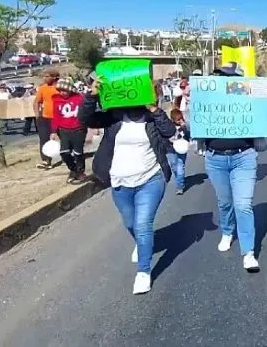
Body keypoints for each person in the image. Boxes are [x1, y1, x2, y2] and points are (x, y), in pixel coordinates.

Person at [79, 77, 176, 295]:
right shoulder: (114, 115)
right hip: (120, 181)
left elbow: (169, 131)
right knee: (130, 223)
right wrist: (91, 96)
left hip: (150, 179)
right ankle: (142, 243)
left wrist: (154, 109)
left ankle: (144, 271)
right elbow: (86, 119)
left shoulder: (152, 117)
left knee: (143, 224)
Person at [199, 64, 262, 272]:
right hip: (215, 159)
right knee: (225, 202)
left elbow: (265, 120)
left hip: (243, 158)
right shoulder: (207, 98)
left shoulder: (248, 97)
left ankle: (248, 252)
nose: (224, 81)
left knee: (243, 205)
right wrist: (193, 103)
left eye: (229, 78)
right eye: (220, 77)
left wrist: (266, 102)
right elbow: (193, 127)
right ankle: (227, 231)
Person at [49, 78, 88, 185]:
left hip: (78, 129)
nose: (62, 93)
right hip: (64, 129)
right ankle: (73, 169)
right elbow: (55, 116)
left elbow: (86, 112)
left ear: (70, 90)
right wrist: (53, 131)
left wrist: (91, 127)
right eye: (60, 90)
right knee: (64, 152)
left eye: (65, 90)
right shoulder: (56, 100)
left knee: (78, 152)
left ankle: (80, 171)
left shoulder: (79, 98)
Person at [34, 69, 61, 169]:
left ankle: (70, 156)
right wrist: (37, 115)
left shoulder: (60, 87)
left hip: (60, 118)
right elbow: (36, 102)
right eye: (44, 76)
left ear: (54, 77)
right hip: (45, 118)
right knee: (44, 139)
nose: (44, 78)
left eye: (47, 76)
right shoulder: (43, 88)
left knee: (65, 138)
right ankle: (46, 161)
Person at [166, 108, 191, 195]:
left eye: (181, 118)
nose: (180, 121)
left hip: (181, 149)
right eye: (178, 119)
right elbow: (165, 135)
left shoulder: (185, 126)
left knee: (180, 167)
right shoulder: (169, 126)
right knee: (174, 167)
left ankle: (180, 186)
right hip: (171, 149)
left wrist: (184, 128)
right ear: (173, 120)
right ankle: (179, 179)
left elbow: (189, 136)